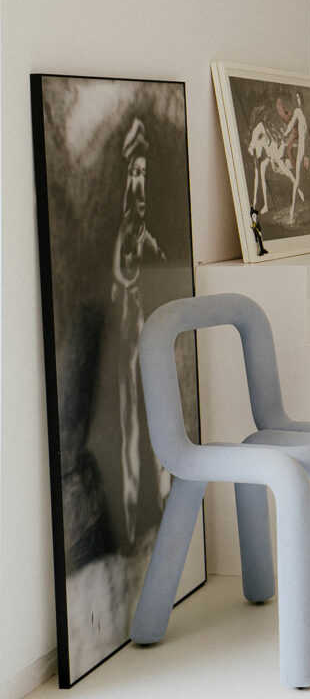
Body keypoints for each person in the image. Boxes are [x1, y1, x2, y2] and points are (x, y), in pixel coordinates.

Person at [111, 118, 169, 546]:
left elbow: (156, 253)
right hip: (128, 327)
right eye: (134, 173)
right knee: (131, 415)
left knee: (157, 406)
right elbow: (122, 266)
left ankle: (164, 503)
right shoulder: (127, 223)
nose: (139, 182)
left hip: (144, 321)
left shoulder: (139, 223)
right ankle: (130, 521)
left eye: (144, 175)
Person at [279, 91, 310, 228]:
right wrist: (285, 133)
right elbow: (291, 126)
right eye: (296, 98)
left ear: (302, 98)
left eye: (299, 97)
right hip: (301, 152)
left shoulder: (307, 113)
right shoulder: (297, 111)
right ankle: (291, 214)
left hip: (308, 153)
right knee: (298, 182)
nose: (298, 99)